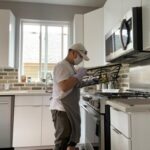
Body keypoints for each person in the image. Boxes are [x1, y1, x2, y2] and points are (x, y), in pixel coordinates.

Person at [50, 43, 89, 150]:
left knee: (71, 139)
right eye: (80, 56)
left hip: (69, 107)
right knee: (62, 141)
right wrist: (78, 75)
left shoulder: (70, 67)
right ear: (73, 53)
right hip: (61, 108)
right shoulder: (61, 66)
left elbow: (72, 84)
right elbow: (64, 86)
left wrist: (85, 81)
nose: (81, 59)